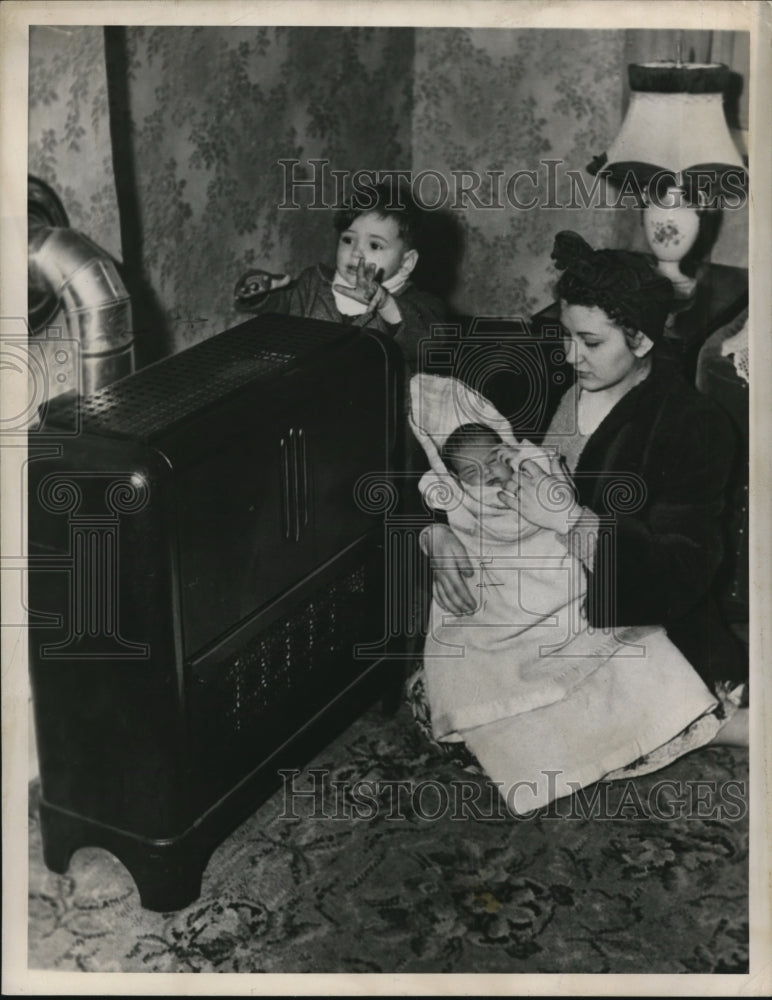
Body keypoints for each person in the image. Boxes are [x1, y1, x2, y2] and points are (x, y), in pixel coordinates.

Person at [412, 230, 748, 812]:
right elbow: (439, 451)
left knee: (523, 716)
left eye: (590, 342)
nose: (571, 356)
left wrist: (575, 520)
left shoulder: (692, 423)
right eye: (566, 335)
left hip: (626, 613)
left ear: (641, 339)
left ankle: (698, 720)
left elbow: (684, 568)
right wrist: (433, 530)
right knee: (443, 689)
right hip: (522, 595)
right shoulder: (546, 372)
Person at [233, 181, 446, 377]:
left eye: (374, 245)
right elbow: (281, 308)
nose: (356, 253)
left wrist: (385, 304)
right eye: (348, 240)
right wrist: (262, 292)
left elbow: (431, 343)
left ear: (406, 262)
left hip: (375, 408)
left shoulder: (420, 305)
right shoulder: (313, 283)